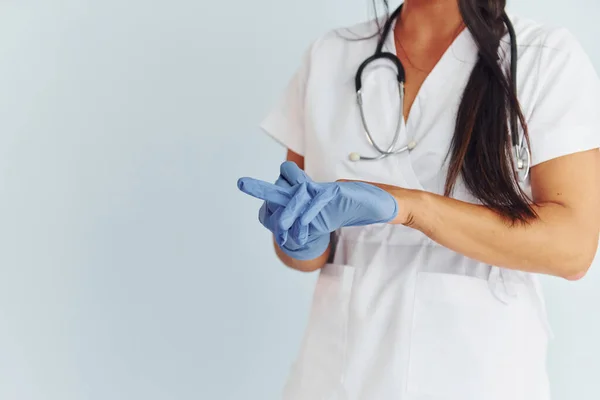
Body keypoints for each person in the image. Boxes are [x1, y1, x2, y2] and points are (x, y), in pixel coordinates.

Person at [238, 0, 600, 399]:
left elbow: (572, 248)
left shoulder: (544, 57)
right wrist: (300, 239)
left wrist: (411, 208)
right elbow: (304, 259)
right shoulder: (330, 55)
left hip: (478, 376)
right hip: (335, 376)